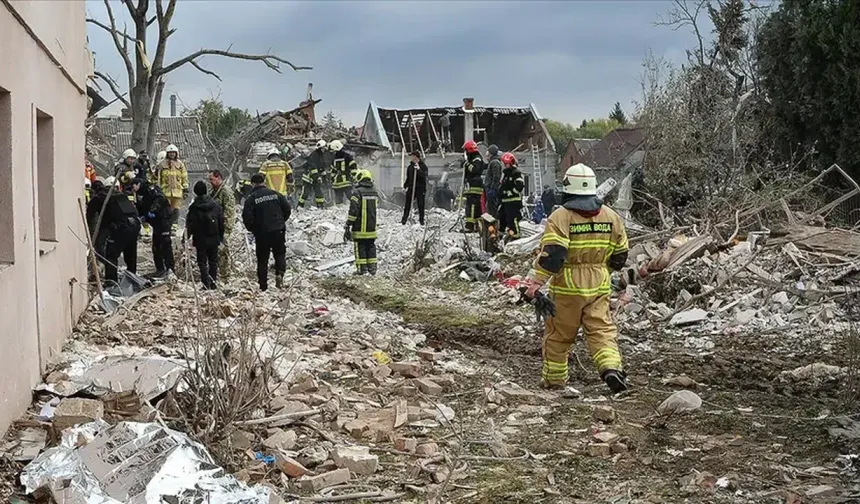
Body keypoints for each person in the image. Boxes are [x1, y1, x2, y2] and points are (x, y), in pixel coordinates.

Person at [521, 163, 629, 394]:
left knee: (559, 336)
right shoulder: (611, 216)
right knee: (602, 331)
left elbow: (554, 255)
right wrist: (603, 272)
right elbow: (621, 254)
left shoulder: (561, 216)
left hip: (568, 287)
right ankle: (610, 368)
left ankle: (555, 381)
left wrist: (536, 283)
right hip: (599, 284)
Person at [243, 173, 292, 291]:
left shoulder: (251, 199)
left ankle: (263, 285)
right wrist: (281, 222)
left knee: (263, 259)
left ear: (253, 184)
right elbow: (287, 209)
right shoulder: (276, 194)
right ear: (264, 182)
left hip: (262, 233)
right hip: (278, 230)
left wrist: (254, 229)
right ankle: (279, 274)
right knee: (279, 254)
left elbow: (247, 218)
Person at [186, 181, 224, 290]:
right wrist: (221, 237)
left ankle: (205, 283)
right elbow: (221, 221)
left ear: (195, 192)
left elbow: (190, 224)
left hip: (200, 239)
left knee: (202, 262)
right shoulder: (215, 205)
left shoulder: (193, 207)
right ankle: (213, 283)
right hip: (214, 237)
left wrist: (187, 238)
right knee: (213, 261)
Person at [103, 177, 143, 283]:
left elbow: (105, 220)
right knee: (130, 255)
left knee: (111, 255)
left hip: (122, 228)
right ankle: (132, 279)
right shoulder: (124, 198)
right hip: (134, 227)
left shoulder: (107, 199)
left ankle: (111, 282)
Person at [344, 170, 378, 275]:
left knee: (360, 247)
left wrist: (348, 223)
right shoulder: (374, 192)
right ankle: (372, 269)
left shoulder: (357, 192)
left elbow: (353, 210)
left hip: (360, 227)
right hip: (371, 227)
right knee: (371, 246)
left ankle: (362, 269)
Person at [137, 182, 175, 278]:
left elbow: (160, 198)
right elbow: (143, 208)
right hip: (157, 223)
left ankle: (170, 269)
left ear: (137, 184)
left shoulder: (151, 189)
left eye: (134, 186)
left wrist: (152, 210)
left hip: (164, 220)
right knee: (156, 247)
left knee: (165, 244)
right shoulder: (143, 195)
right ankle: (160, 269)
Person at [208, 169, 236, 278]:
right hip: (214, 227)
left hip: (223, 227)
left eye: (212, 179)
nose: (210, 181)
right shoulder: (213, 191)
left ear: (218, 177)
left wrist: (226, 230)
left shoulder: (226, 192)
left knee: (223, 251)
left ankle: (225, 276)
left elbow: (229, 212)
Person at [156, 144, 189, 232]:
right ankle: (167, 226)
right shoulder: (162, 164)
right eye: (170, 153)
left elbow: (184, 177)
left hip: (177, 192)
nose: (172, 154)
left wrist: (185, 189)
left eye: (173, 153)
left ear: (176, 153)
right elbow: (157, 178)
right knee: (166, 211)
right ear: (167, 153)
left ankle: (174, 227)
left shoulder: (180, 164)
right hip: (165, 192)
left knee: (176, 210)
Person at [498, 152, 525, 241]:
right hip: (505, 202)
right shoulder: (506, 174)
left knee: (512, 219)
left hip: (513, 201)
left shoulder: (516, 173)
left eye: (504, 163)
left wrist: (510, 192)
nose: (503, 165)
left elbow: (520, 186)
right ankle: (500, 235)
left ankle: (516, 236)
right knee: (502, 218)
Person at [461, 140, 485, 232]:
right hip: (471, 186)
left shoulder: (477, 159)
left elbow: (475, 170)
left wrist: (467, 164)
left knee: (471, 206)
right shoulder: (473, 159)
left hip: (474, 186)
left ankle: (470, 226)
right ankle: (476, 226)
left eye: (466, 151)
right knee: (474, 206)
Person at [401, 151, 428, 225]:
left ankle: (421, 220)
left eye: (412, 156)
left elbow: (424, 177)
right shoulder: (410, 167)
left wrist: (419, 170)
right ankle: (404, 220)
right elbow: (408, 178)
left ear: (415, 157)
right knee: (407, 204)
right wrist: (405, 186)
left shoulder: (423, 166)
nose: (411, 157)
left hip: (420, 188)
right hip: (411, 188)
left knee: (421, 205)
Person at [299, 140, 326, 208]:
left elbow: (321, 166)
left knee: (318, 191)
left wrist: (324, 176)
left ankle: (320, 206)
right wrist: (317, 177)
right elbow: (313, 168)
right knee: (306, 192)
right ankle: (300, 205)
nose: (324, 149)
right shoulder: (314, 155)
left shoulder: (320, 155)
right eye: (323, 148)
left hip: (315, 176)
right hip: (308, 177)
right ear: (320, 148)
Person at [329, 140, 357, 205]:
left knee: (349, 197)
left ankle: (355, 206)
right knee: (341, 198)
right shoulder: (346, 156)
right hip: (341, 182)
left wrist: (354, 176)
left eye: (334, 151)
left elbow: (353, 167)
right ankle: (342, 210)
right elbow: (333, 170)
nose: (333, 153)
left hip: (343, 182)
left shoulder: (346, 157)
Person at [484, 145, 503, 218]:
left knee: (492, 208)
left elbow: (496, 177)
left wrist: (492, 188)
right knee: (490, 207)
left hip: (492, 189)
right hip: (490, 188)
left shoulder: (495, 162)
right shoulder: (492, 162)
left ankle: (494, 224)